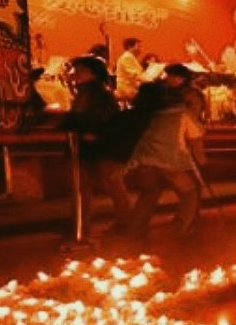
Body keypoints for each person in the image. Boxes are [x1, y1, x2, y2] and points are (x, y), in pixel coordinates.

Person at [125, 70, 206, 242]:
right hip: (171, 161)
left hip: (144, 160)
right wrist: (202, 161)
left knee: (149, 194)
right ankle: (182, 229)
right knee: (189, 192)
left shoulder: (152, 113)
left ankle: (134, 231)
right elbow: (196, 138)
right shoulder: (182, 113)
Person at [60, 55, 132, 236]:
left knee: (110, 184)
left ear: (93, 74)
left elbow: (102, 120)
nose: (75, 73)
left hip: (99, 147)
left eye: (81, 70)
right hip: (89, 147)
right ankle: (81, 225)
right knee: (83, 187)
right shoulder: (85, 93)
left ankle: (124, 223)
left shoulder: (97, 95)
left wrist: (74, 124)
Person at [114, 37, 144, 103]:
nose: (140, 49)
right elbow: (133, 74)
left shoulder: (131, 57)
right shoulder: (127, 57)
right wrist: (148, 79)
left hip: (130, 87)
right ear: (129, 46)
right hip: (127, 88)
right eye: (138, 46)